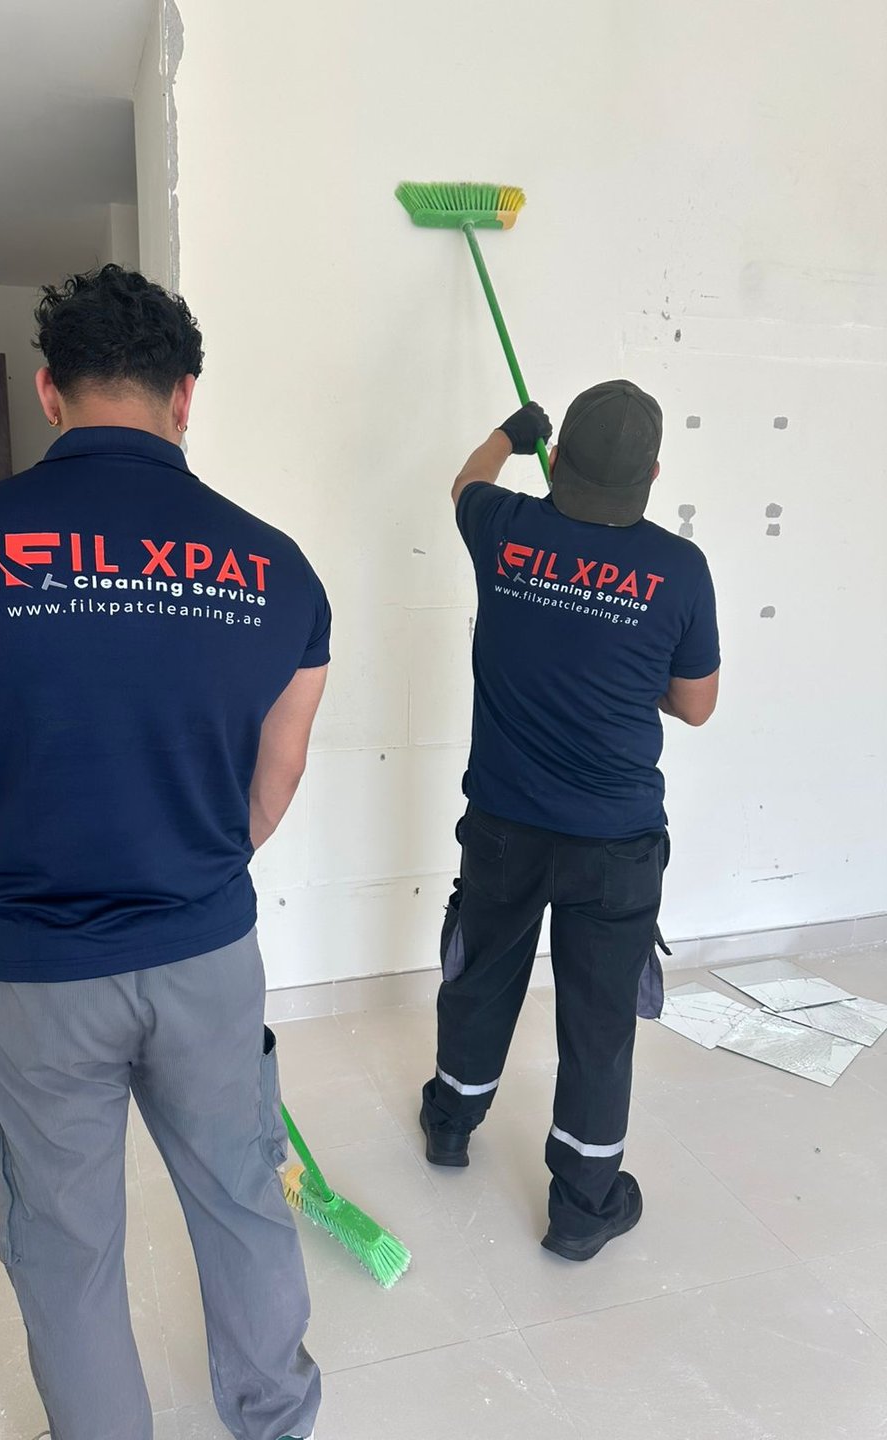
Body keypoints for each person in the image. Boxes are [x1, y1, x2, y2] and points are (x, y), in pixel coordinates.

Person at [0, 265, 327, 1440]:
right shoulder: (279, 569)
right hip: (206, 954)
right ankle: (276, 1417)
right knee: (242, 1196)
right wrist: (193, 870)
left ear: (50, 392)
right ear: (184, 397)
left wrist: (2, 737)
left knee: (65, 1243)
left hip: (35, 978)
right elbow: (276, 778)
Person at [419, 381, 720, 1262]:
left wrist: (510, 433)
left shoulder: (504, 527)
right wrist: (630, 671)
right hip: (614, 846)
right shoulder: (679, 569)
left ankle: (451, 1123)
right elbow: (696, 705)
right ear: (652, 474)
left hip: (504, 825)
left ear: (561, 463)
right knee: (597, 1022)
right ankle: (584, 1208)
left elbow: (465, 482)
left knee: (482, 976)